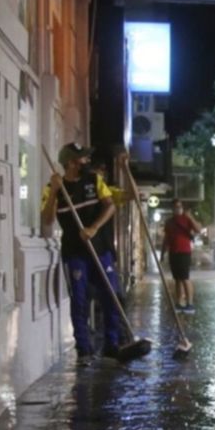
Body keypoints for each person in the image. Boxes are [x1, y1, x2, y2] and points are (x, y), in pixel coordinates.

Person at [42, 143, 132, 362]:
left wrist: (94, 228)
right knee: (79, 300)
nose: (86, 162)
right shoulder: (54, 187)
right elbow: (46, 219)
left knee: (110, 295)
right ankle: (84, 348)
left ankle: (112, 344)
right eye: (83, 159)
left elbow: (110, 206)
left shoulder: (94, 181)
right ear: (71, 163)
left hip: (100, 250)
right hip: (75, 253)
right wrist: (54, 191)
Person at [163, 199, 204, 312]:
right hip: (173, 252)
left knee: (185, 278)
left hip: (184, 252)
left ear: (182, 208)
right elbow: (166, 238)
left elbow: (198, 230)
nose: (177, 209)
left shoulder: (186, 219)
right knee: (177, 279)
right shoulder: (169, 222)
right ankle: (179, 302)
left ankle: (190, 303)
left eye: (179, 206)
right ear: (172, 208)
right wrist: (163, 253)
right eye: (175, 207)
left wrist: (190, 217)